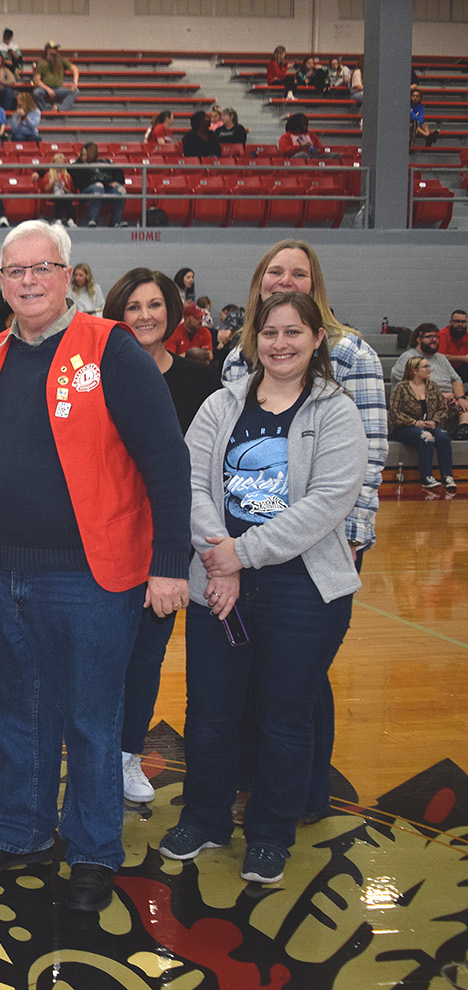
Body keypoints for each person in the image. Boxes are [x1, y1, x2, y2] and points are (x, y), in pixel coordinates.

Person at [0, 220, 190, 915]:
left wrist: (169, 561)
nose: (28, 280)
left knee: (90, 719)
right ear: (1, 280)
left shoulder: (111, 348)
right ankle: (23, 832)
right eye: (15, 270)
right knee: (13, 712)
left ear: (69, 276)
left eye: (42, 267)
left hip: (90, 575)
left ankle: (92, 851)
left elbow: (166, 462)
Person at [161, 291, 365, 886]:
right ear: (254, 338)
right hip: (218, 586)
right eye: (269, 333)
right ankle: (204, 817)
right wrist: (220, 560)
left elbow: (328, 503)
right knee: (211, 715)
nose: (280, 344)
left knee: (284, 718)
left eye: (293, 333)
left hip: (301, 591)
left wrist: (237, 556)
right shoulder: (221, 405)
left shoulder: (335, 411)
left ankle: (271, 834)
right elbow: (190, 481)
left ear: (316, 339)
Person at [219, 239, 387, 822]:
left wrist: (355, 534)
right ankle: (253, 784)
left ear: (315, 288)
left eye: (298, 272)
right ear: (258, 283)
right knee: (250, 677)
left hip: (320, 544)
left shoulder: (354, 354)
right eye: (274, 271)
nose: (284, 280)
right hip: (242, 552)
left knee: (299, 684)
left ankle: (306, 795)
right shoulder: (239, 358)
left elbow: (368, 455)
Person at [100, 269, 219, 803]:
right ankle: (92, 752)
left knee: (147, 658)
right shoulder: (96, 376)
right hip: (104, 542)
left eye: (155, 304)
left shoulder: (200, 382)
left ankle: (126, 757)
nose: (145, 315)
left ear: (171, 311)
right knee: (98, 657)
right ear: (116, 314)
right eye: (133, 306)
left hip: (167, 545)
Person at [390, 355, 457, 490]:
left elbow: (442, 409)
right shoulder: (401, 387)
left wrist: (434, 421)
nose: (429, 369)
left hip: (429, 424)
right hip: (406, 427)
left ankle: (447, 475)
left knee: (443, 436)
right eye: (425, 367)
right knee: (426, 436)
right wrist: (414, 422)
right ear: (414, 370)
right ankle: (426, 476)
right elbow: (394, 413)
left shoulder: (433, 386)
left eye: (428, 366)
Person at [390, 324, 467, 422]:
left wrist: (461, 398)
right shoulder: (408, 358)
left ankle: (463, 428)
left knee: (464, 406)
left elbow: (456, 379)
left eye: (436, 336)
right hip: (420, 401)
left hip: (448, 401)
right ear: (418, 339)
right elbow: (410, 386)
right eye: (429, 337)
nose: (434, 340)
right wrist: (440, 395)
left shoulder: (441, 358)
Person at [70, 142, 127, 228]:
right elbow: (81, 182)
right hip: (86, 191)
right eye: (83, 155)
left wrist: (115, 182)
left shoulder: (104, 162)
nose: (84, 157)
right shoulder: (78, 165)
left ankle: (117, 222)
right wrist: (106, 183)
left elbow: (119, 175)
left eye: (86, 155)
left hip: (106, 189)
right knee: (98, 186)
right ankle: (92, 220)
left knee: (121, 190)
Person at [32, 41, 79, 112]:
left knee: (75, 91)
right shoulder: (41, 63)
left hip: (58, 88)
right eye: (54, 49)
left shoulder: (61, 60)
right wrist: (47, 89)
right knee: (36, 92)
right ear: (48, 51)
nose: (56, 51)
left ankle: (59, 109)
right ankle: (43, 111)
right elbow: (37, 80)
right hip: (45, 89)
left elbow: (74, 69)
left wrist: (75, 82)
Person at [35, 152, 76, 227]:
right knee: (58, 197)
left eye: (62, 163)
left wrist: (64, 188)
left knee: (66, 197)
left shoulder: (67, 176)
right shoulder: (49, 174)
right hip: (52, 195)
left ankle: (70, 219)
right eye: (58, 163)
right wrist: (53, 182)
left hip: (63, 194)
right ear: (54, 163)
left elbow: (70, 190)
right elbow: (45, 189)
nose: (60, 166)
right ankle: (58, 219)